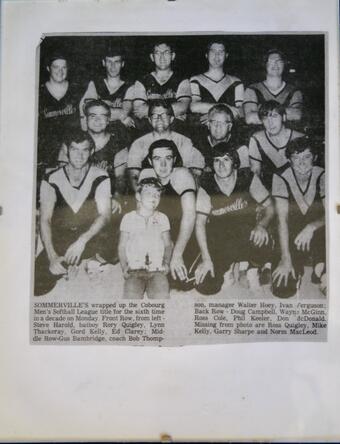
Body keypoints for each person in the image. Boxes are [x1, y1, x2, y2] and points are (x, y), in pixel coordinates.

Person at [34, 130, 112, 296]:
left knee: (115, 244)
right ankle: (75, 263)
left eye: (84, 150)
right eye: (75, 149)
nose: (79, 155)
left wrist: (82, 241)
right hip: (63, 235)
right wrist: (52, 256)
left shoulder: (101, 175)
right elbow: (45, 220)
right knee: (37, 286)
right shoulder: (51, 178)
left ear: (91, 152)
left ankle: (90, 260)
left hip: (90, 234)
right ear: (66, 150)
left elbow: (105, 215)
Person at [194, 142, 274, 295]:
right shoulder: (207, 185)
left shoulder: (247, 177)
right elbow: (199, 223)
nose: (221, 165)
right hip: (221, 239)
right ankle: (231, 267)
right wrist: (206, 259)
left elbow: (270, 206)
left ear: (235, 162)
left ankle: (250, 267)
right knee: (205, 286)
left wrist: (262, 225)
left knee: (261, 239)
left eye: (226, 159)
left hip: (246, 233)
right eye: (217, 160)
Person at [271, 137, 326, 298]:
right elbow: (282, 220)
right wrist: (285, 258)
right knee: (283, 289)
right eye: (296, 158)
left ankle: (321, 270)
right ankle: (298, 268)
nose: (301, 163)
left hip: (318, 228)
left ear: (315, 157)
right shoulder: (280, 176)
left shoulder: (323, 173)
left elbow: (334, 212)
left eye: (307, 157)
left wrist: (311, 227)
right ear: (289, 160)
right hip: (291, 230)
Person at [139, 140, 197, 285]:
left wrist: (176, 254)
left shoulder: (182, 175)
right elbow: (142, 215)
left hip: (185, 232)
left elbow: (190, 216)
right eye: (157, 159)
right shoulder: (146, 175)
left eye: (168, 158)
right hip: (162, 232)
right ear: (150, 161)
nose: (163, 165)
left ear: (175, 159)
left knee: (191, 283)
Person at [127, 100, 204, 190]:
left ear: (171, 119)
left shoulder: (184, 142)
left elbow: (194, 174)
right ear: (149, 120)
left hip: (177, 190)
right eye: (155, 116)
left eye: (164, 115)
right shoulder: (139, 144)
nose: (159, 119)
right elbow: (134, 175)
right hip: (150, 191)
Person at [118, 178, 172, 299]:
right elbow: (122, 246)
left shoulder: (163, 218)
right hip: (134, 269)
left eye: (157, 195)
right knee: (130, 297)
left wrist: (167, 262)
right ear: (138, 196)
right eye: (149, 193)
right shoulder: (128, 218)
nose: (154, 197)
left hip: (157, 269)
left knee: (162, 295)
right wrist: (124, 266)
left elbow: (168, 244)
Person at [131, 40, 191, 133]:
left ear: (173, 56)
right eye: (158, 53)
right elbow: (138, 110)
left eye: (166, 52)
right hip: (148, 130)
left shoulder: (182, 80)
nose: (162, 57)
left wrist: (150, 112)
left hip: (174, 130)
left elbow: (183, 106)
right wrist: (171, 113)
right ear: (152, 57)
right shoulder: (142, 81)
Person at [38, 55, 82, 169]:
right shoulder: (39, 91)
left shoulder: (77, 90)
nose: (60, 71)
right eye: (56, 67)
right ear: (48, 68)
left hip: (71, 152)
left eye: (64, 67)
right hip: (46, 153)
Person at [249, 100, 304, 190]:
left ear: (284, 117)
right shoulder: (257, 138)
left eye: (274, 116)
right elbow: (256, 174)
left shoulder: (299, 138)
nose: (270, 123)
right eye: (265, 118)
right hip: (269, 193)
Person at [79, 44, 134, 129]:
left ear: (122, 64)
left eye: (117, 62)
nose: (113, 66)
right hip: (98, 130)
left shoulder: (130, 86)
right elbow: (87, 109)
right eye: (109, 61)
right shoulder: (94, 84)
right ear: (103, 63)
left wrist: (98, 111)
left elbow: (124, 112)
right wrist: (119, 114)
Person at [190, 41, 244, 126]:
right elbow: (194, 107)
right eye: (213, 51)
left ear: (226, 55)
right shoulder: (196, 79)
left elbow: (241, 111)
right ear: (206, 55)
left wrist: (214, 115)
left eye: (221, 52)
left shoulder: (236, 82)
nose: (217, 55)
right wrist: (225, 107)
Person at [244, 50, 303, 126]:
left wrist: (263, 114)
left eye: (279, 61)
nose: (275, 64)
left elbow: (297, 115)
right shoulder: (252, 89)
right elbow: (250, 118)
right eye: (271, 61)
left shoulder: (294, 91)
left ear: (284, 64)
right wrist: (283, 114)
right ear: (265, 65)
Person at [193, 104, 249, 177]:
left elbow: (245, 177)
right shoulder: (199, 145)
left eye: (223, 123)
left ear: (229, 126)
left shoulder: (240, 147)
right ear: (208, 125)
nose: (218, 126)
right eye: (214, 122)